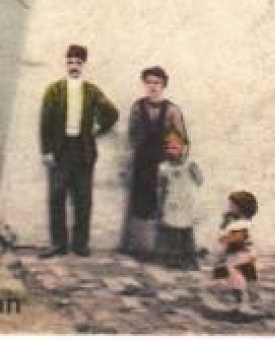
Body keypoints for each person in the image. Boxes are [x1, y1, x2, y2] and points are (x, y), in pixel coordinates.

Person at [38, 44, 119, 257]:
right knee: (57, 197)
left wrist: (99, 127)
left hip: (83, 151)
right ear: (65, 64)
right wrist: (47, 151)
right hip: (60, 150)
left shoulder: (91, 91)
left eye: (78, 63)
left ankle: (80, 244)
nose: (74, 66)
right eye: (70, 62)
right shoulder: (54, 90)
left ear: (84, 65)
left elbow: (111, 113)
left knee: (83, 199)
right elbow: (45, 123)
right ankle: (58, 244)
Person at [122, 65, 188, 257]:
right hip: (142, 162)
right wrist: (131, 161)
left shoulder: (172, 110)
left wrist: (169, 163)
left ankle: (160, 249)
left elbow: (178, 139)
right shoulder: (138, 107)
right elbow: (132, 136)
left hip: (162, 163)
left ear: (163, 85)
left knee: (162, 204)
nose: (152, 87)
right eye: (149, 82)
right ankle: (140, 247)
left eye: (157, 83)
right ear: (144, 84)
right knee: (140, 203)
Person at [156, 134, 203, 269]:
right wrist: (161, 204)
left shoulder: (190, 164)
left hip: (187, 203)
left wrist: (195, 170)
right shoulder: (164, 167)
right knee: (172, 232)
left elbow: (199, 181)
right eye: (169, 148)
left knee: (187, 232)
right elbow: (162, 187)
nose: (172, 151)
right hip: (171, 202)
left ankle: (190, 260)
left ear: (183, 148)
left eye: (175, 147)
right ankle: (175, 260)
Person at [212, 190, 260, 317]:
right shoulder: (237, 222)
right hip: (244, 255)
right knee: (248, 278)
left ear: (241, 208)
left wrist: (225, 244)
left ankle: (243, 305)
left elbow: (238, 239)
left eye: (232, 205)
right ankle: (248, 304)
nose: (229, 207)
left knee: (237, 278)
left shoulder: (241, 224)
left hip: (240, 256)